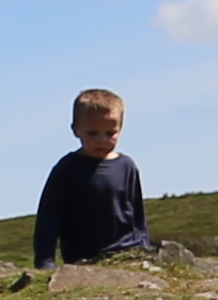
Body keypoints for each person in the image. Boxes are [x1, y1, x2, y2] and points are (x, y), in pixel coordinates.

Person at [34, 86, 155, 264]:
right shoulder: (67, 168)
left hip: (129, 253)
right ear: (76, 130)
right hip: (85, 258)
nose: (102, 140)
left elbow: (137, 216)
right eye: (92, 133)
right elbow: (49, 217)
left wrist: (145, 248)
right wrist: (45, 260)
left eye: (110, 133)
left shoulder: (127, 166)